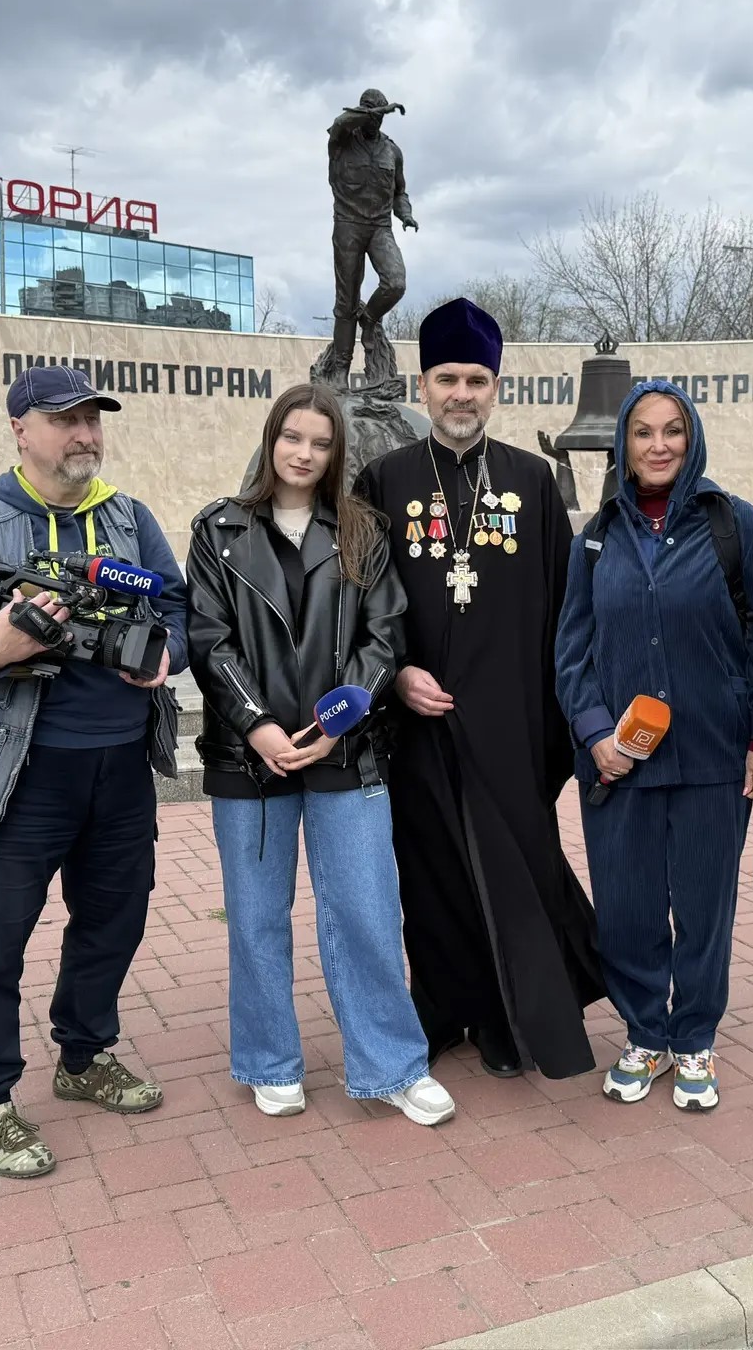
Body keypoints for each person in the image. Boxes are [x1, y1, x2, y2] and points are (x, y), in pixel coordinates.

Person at [0, 365, 185, 1180]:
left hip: (120, 767)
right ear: (20, 430)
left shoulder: (128, 520)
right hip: (15, 775)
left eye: (93, 420)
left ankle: (84, 1056)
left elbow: (180, 610)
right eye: (66, 420)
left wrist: (168, 653)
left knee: (114, 921)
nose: (85, 435)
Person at [186, 383, 455, 1127]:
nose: (303, 454)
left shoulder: (364, 531)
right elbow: (208, 638)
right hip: (250, 759)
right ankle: (269, 1061)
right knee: (256, 918)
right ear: (271, 440)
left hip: (349, 751)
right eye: (292, 437)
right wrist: (257, 725)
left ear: (336, 452)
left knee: (366, 912)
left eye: (320, 442)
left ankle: (391, 1065)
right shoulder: (218, 529)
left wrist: (340, 720)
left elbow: (385, 635)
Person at [355, 298, 606, 1080]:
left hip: (511, 716)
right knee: (429, 869)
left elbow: (565, 609)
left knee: (519, 858)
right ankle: (440, 1010)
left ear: (495, 388)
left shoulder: (533, 480)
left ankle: (503, 1018)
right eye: (447, 379)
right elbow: (359, 601)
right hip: (416, 717)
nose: (461, 394)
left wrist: (561, 717)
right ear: (422, 386)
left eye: (476, 380)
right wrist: (396, 672)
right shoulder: (382, 479)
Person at [554, 380, 753, 1111]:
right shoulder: (596, 538)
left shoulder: (738, 527)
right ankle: (646, 1033)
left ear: (693, 438)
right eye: (642, 432)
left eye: (672, 430)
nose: (658, 445)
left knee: (705, 908)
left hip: (714, 756)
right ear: (623, 443)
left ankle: (694, 1038)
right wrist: (595, 734)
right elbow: (572, 652)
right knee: (628, 908)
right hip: (620, 764)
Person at [321, 87, 418, 376]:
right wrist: (370, 112)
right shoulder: (342, 140)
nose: (373, 119)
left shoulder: (392, 151)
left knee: (395, 283)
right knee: (347, 301)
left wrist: (406, 214)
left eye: (378, 114)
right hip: (348, 224)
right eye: (368, 111)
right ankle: (340, 372)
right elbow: (340, 122)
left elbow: (399, 192)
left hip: (379, 227)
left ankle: (370, 319)